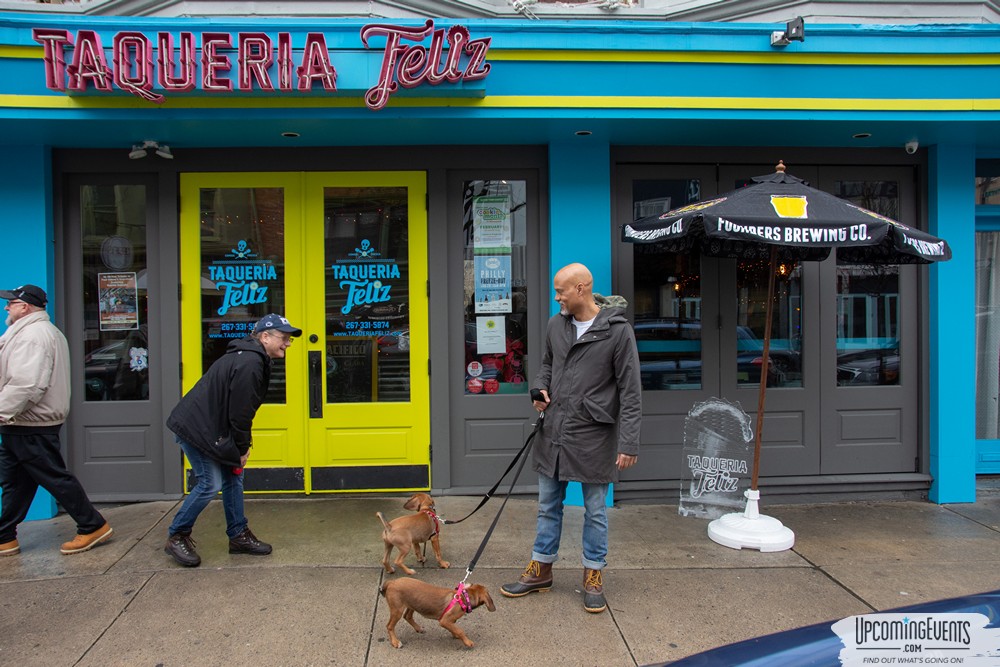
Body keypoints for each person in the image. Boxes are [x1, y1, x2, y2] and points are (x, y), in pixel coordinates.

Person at [500, 263, 641, 613]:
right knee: (548, 505)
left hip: (594, 433)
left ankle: (593, 573)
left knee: (595, 510)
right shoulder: (556, 325)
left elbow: (631, 390)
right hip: (554, 430)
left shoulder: (618, 332)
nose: (556, 296)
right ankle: (541, 569)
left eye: (561, 290)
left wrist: (629, 442)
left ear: (581, 289)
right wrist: (538, 387)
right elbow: (546, 364)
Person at [163, 312, 301, 567]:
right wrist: (241, 448)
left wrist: (235, 447)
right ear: (265, 336)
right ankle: (177, 535)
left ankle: (238, 535)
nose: (288, 344)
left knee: (233, 476)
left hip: (211, 428)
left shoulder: (252, 356)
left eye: (290, 339)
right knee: (209, 482)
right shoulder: (250, 362)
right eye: (284, 338)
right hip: (195, 429)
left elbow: (235, 409)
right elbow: (240, 413)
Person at [0, 284, 113, 557]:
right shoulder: (35, 333)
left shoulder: (33, 336)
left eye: (11, 303)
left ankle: (92, 525)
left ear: (25, 306)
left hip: (29, 422)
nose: (6, 307)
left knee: (53, 477)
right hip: (22, 421)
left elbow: (27, 384)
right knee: (17, 481)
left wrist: (2, 411)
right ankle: (5, 535)